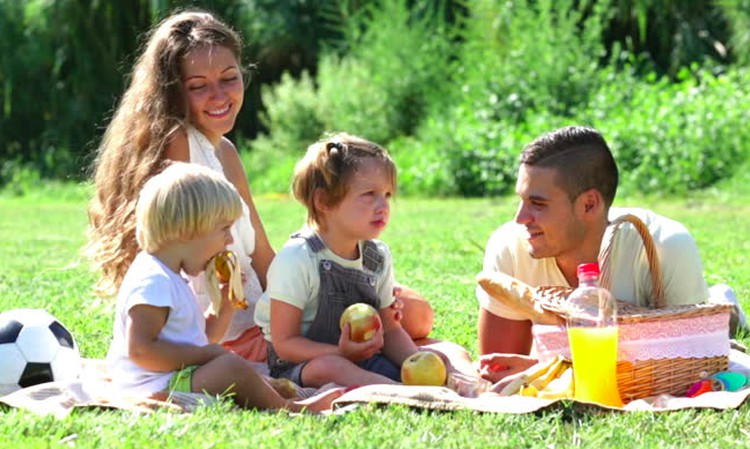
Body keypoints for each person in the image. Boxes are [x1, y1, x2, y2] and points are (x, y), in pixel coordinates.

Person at [85, 9, 433, 364]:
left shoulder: (224, 150)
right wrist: (285, 320)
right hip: (235, 328)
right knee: (398, 322)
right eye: (198, 86)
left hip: (262, 309)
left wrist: (301, 287)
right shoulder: (179, 144)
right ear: (173, 92)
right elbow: (182, 256)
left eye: (229, 78)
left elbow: (261, 252)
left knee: (415, 311)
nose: (219, 95)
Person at [477, 125, 746, 371]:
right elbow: (497, 368)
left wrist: (556, 369)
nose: (520, 218)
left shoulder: (664, 245)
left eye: (538, 204)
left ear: (589, 204)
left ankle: (723, 307)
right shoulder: (510, 246)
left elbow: (693, 366)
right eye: (521, 200)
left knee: (719, 338)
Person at [106, 162, 343, 412]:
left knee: (236, 366)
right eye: (224, 229)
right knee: (232, 368)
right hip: (153, 387)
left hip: (176, 378)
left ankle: (271, 393)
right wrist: (207, 356)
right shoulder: (153, 280)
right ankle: (290, 409)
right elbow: (142, 351)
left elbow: (200, 340)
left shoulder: (172, 276)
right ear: (188, 230)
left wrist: (225, 308)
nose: (230, 240)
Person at [254, 133, 476, 388]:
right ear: (324, 200)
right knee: (331, 368)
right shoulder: (298, 257)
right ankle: (393, 390)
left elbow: (391, 331)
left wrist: (416, 362)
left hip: (364, 359)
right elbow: (285, 344)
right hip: (302, 364)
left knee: (443, 354)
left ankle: (405, 386)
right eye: (370, 194)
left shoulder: (377, 257)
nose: (383, 206)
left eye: (388, 194)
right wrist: (341, 353)